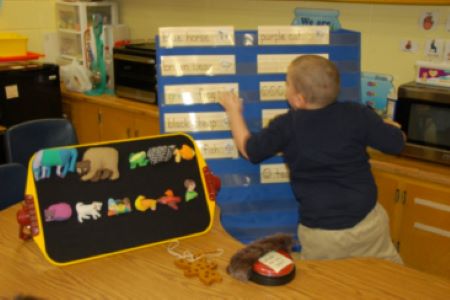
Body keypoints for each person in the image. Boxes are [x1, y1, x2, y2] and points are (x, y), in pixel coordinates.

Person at [219, 55, 405, 264]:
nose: (285, 87)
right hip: (368, 224)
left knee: (327, 285)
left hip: (322, 235)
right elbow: (396, 143)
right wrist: (390, 127)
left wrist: (233, 111)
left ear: (299, 99)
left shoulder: (287, 125)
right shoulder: (357, 113)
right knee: (385, 276)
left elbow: (249, 149)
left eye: (287, 83)